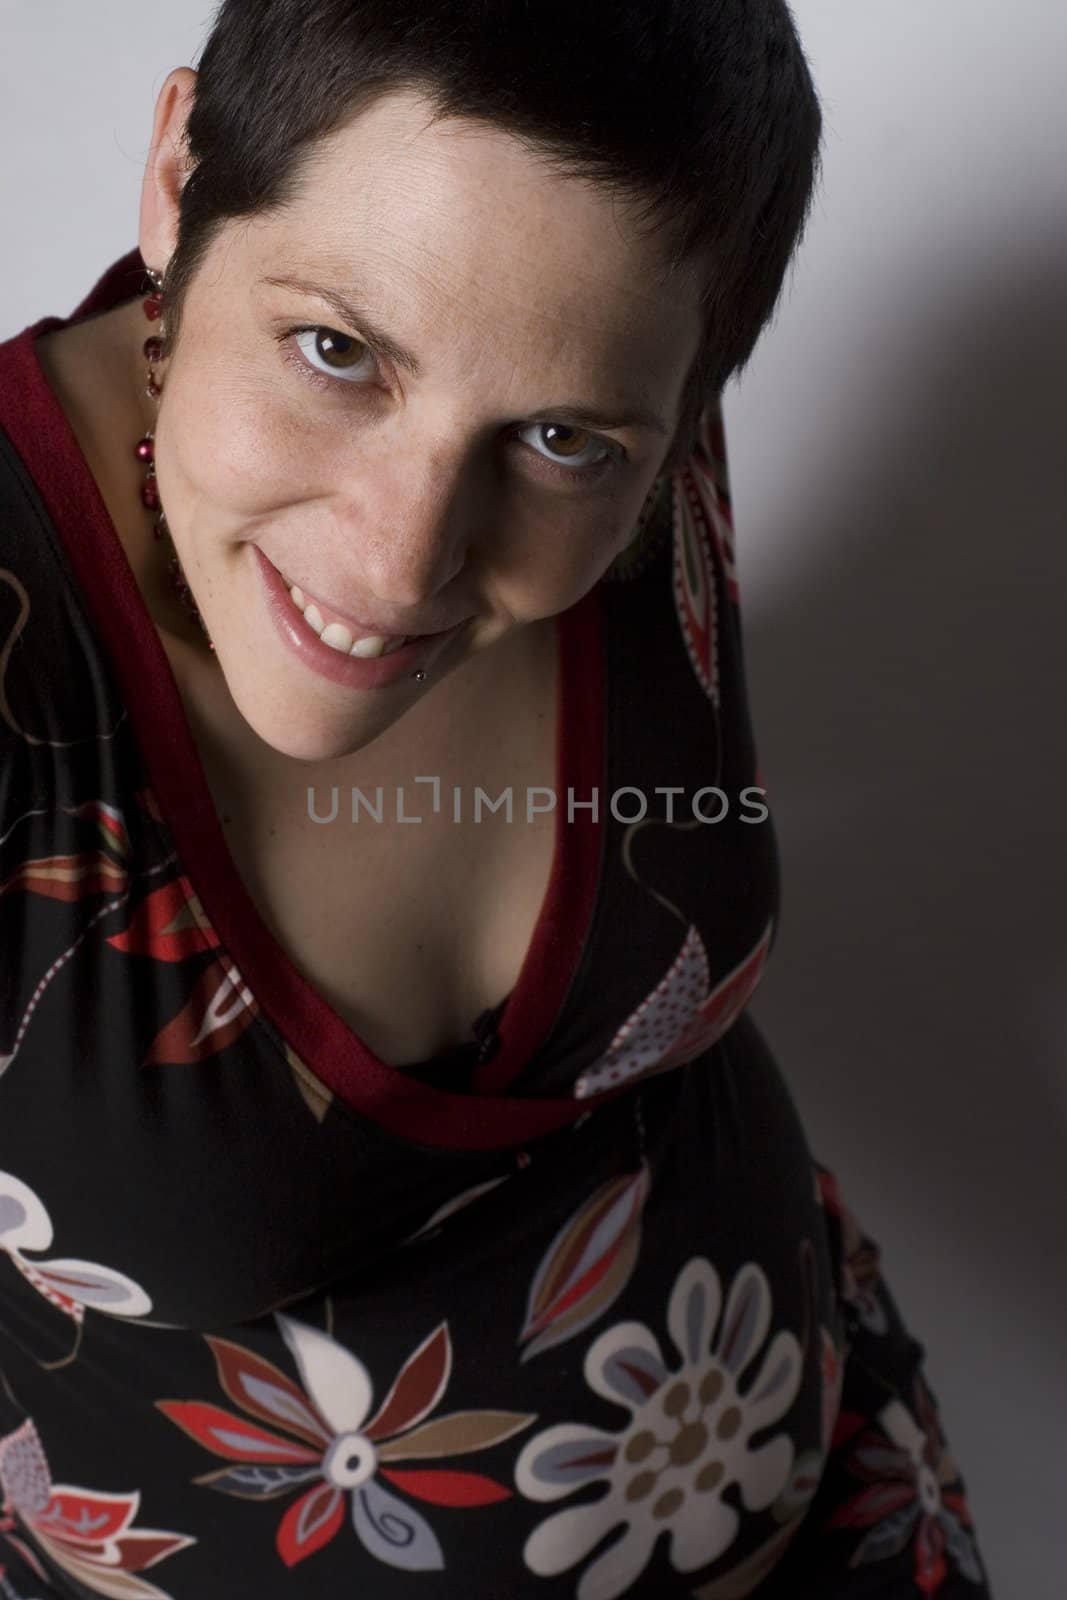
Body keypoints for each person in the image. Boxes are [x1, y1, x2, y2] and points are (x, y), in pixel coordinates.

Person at [0, 2, 994, 1596]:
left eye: (551, 441)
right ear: (180, 177)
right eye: (337, 351)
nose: (400, 567)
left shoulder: (630, 393)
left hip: (842, 1498)